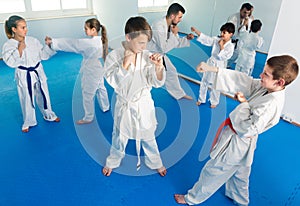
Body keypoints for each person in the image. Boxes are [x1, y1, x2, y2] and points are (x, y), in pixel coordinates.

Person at [174, 55, 298, 205]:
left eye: (266, 74)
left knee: (214, 171)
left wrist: (244, 103)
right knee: (240, 175)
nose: (261, 75)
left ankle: (191, 198)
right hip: (245, 144)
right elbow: (244, 80)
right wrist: (212, 69)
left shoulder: (272, 104)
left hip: (238, 142)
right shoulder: (268, 88)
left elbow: (249, 128)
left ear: (280, 82)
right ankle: (241, 201)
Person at [102, 16, 167, 177]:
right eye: (141, 43)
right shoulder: (114, 56)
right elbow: (112, 81)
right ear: (128, 37)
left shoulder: (147, 56)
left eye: (146, 43)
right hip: (124, 103)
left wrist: (158, 68)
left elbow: (156, 82)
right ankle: (113, 160)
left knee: (148, 135)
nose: (144, 47)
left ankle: (155, 162)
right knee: (119, 136)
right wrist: (125, 63)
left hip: (143, 103)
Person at [45, 18, 110, 124]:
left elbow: (72, 44)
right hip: (99, 67)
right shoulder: (100, 40)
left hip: (91, 70)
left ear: (93, 29)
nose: (84, 30)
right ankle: (105, 106)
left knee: (88, 94)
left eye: (86, 28)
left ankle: (88, 117)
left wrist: (53, 42)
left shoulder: (89, 43)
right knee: (101, 87)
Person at [2, 15, 60, 133]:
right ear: (14, 29)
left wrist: (48, 46)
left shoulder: (33, 40)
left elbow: (42, 55)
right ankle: (29, 121)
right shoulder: (9, 45)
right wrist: (20, 49)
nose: (26, 30)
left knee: (44, 94)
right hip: (24, 74)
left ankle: (49, 115)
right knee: (26, 98)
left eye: (26, 27)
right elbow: (10, 62)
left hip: (38, 70)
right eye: (22, 27)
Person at [147, 3, 194, 100]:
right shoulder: (158, 25)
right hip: (150, 55)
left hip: (159, 54)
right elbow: (164, 47)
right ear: (172, 16)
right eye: (179, 17)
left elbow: (174, 42)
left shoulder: (170, 25)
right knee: (147, 78)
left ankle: (179, 94)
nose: (180, 20)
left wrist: (186, 39)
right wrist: (174, 33)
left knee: (171, 71)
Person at [191, 23, 235, 108]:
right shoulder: (217, 39)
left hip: (219, 65)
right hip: (210, 62)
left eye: (224, 32)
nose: (222, 34)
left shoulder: (230, 46)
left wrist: (221, 46)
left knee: (216, 84)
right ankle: (201, 99)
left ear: (231, 34)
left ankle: (214, 101)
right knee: (204, 81)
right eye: (221, 32)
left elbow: (222, 56)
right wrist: (196, 31)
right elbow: (207, 39)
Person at [227, 2, 254, 69]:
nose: (246, 15)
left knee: (235, 56)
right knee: (227, 55)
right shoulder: (233, 18)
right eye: (244, 12)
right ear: (240, 10)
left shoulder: (248, 19)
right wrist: (243, 25)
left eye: (248, 13)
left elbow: (250, 30)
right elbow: (233, 31)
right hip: (231, 40)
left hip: (240, 42)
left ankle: (227, 66)